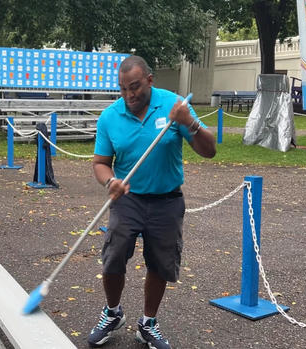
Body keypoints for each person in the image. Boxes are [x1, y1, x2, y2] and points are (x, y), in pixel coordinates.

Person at [88, 55, 216, 349]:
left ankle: (148, 323)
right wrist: (110, 181)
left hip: (167, 200)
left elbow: (209, 151)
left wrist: (191, 124)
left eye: (134, 87)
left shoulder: (175, 106)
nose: (129, 95)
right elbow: (100, 163)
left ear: (149, 80)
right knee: (113, 257)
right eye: (123, 89)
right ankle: (113, 313)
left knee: (160, 263)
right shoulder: (110, 117)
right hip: (127, 199)